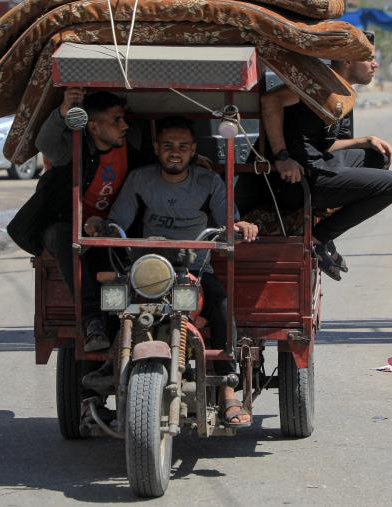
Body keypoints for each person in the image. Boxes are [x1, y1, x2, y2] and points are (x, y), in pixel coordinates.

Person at [85, 116, 259, 428]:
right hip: (146, 271)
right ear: (156, 149)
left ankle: (228, 391)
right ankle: (98, 383)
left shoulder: (209, 183)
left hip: (194, 269)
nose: (174, 152)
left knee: (222, 306)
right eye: (168, 146)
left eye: (182, 146)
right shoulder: (140, 180)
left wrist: (240, 226)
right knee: (113, 305)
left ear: (193, 150)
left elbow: (229, 222)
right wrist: (101, 225)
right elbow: (118, 222)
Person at [260, 54, 392, 281]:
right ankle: (317, 239)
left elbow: (327, 145)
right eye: (368, 58)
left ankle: (325, 231)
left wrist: (365, 140)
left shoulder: (343, 93)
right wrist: (282, 156)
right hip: (299, 178)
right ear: (347, 60)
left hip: (320, 161)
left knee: (377, 158)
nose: (375, 64)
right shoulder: (317, 85)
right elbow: (270, 100)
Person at [30, 89, 147, 352]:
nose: (124, 125)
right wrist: (63, 112)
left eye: (123, 118)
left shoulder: (132, 144)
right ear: (93, 127)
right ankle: (91, 319)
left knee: (118, 257)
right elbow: (45, 143)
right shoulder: (75, 147)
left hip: (110, 228)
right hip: (65, 225)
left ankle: (125, 328)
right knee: (65, 237)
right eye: (116, 120)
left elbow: (154, 166)